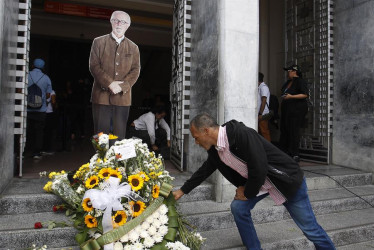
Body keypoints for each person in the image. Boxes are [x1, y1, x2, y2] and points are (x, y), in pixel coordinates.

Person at [173, 113, 335, 250]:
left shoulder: (240, 134)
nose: (196, 142)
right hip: (260, 182)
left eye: (196, 137)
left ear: (206, 131)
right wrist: (182, 191)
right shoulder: (216, 149)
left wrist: (247, 191)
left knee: (310, 229)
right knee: (238, 208)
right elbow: (205, 170)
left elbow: (259, 166)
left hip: (286, 180)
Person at [89, 10, 140, 139]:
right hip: (101, 96)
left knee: (119, 136)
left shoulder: (133, 47)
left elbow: (135, 70)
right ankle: (101, 159)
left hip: (123, 98)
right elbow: (94, 66)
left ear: (128, 25)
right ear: (111, 22)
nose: (119, 24)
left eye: (123, 22)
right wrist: (110, 83)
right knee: (100, 135)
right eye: (116, 20)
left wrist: (122, 86)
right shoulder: (98, 42)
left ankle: (117, 160)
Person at [279, 64, 308, 162]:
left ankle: (295, 153)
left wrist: (291, 97)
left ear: (294, 71)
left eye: (289, 71)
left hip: (296, 111)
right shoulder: (288, 82)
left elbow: (304, 94)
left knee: (294, 131)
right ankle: (285, 151)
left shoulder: (300, 81)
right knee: (285, 130)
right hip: (287, 110)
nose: (288, 73)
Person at [26, 58, 52, 159]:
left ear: (32, 65)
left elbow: (19, 89)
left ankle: (23, 151)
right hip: (41, 110)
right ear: (43, 67)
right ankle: (36, 152)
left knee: (27, 130)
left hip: (27, 109)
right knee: (39, 131)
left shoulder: (26, 75)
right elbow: (48, 94)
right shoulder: (46, 78)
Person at [41, 89, 57, 155]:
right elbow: (53, 102)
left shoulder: (41, 90)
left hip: (40, 112)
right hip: (49, 112)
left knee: (41, 131)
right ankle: (47, 149)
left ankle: (40, 149)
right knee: (49, 132)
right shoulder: (52, 91)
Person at [257, 72, 271, 142]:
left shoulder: (263, 87)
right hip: (261, 113)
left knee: (264, 132)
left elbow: (264, 101)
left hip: (263, 114)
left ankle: (270, 150)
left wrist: (260, 114)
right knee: (261, 132)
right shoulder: (260, 87)